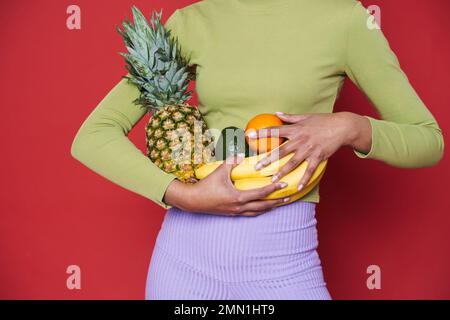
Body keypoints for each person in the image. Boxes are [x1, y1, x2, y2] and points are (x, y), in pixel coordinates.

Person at [71, 0, 444, 300]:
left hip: (283, 262)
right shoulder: (192, 22)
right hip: (183, 262)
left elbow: (428, 141)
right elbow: (94, 135)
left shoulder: (345, 19)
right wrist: (182, 195)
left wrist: (350, 126)